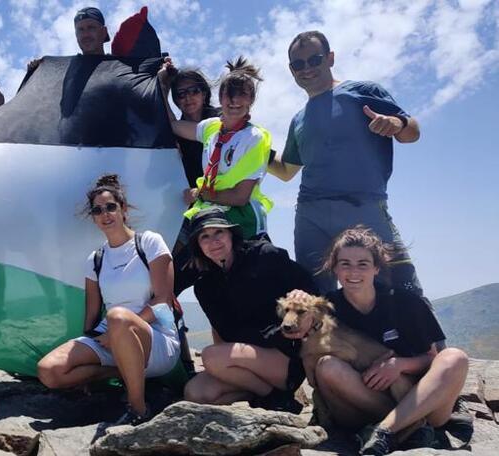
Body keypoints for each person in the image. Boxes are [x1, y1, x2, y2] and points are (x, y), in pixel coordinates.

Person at [282, 227, 468, 455]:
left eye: (363, 264)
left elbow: (431, 360)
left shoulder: (405, 303)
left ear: (376, 267)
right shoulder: (326, 307)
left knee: (455, 358)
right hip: (359, 403)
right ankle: (407, 430)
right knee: (327, 366)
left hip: (417, 401)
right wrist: (300, 301)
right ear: (335, 268)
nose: (353, 272)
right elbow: (295, 333)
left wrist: (398, 365)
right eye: (345, 264)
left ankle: (386, 432)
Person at [269, 31, 424, 296]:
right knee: (316, 296)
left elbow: (412, 132)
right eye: (298, 64)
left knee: (399, 289)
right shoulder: (298, 119)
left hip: (363, 207)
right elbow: (286, 171)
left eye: (314, 59)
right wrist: (252, 144)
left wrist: (396, 124)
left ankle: (426, 339)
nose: (307, 68)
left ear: (330, 58)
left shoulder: (362, 92)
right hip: (311, 214)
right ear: (291, 69)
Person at [37, 174, 186, 426]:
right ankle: (123, 370)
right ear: (93, 218)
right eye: (97, 210)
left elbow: (162, 301)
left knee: (117, 316)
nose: (104, 214)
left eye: (110, 207)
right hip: (112, 336)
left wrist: (118, 330)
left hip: (157, 337)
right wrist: (96, 339)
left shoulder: (149, 242)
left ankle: (138, 408)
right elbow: (92, 315)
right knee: (49, 371)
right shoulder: (95, 259)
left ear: (123, 209)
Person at [182, 207, 317, 413]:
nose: (214, 241)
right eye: (205, 237)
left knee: (211, 356)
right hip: (244, 360)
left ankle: (277, 397)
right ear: (198, 246)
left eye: (219, 232)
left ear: (231, 234)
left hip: (285, 354)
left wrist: (303, 301)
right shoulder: (205, 287)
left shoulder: (265, 256)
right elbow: (224, 332)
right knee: (196, 393)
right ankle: (266, 395)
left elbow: (312, 290)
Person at [158, 56, 274, 239]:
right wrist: (162, 86)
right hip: (211, 218)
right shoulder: (211, 127)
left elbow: (240, 197)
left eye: (242, 94)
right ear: (220, 97)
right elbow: (172, 124)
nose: (235, 100)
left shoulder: (255, 138)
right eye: (229, 94)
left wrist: (199, 194)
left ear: (251, 99)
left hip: (244, 220)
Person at [168, 68, 221, 188]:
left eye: (194, 91)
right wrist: (162, 85)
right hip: (197, 202)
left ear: (204, 94)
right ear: (176, 100)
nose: (188, 97)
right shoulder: (174, 136)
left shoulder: (223, 116)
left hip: (230, 195)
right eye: (181, 94)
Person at [26, 6, 109, 72]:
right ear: (76, 36)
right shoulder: (65, 71)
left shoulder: (119, 70)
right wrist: (36, 73)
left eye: (91, 28)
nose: (85, 34)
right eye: (80, 30)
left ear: (104, 32)